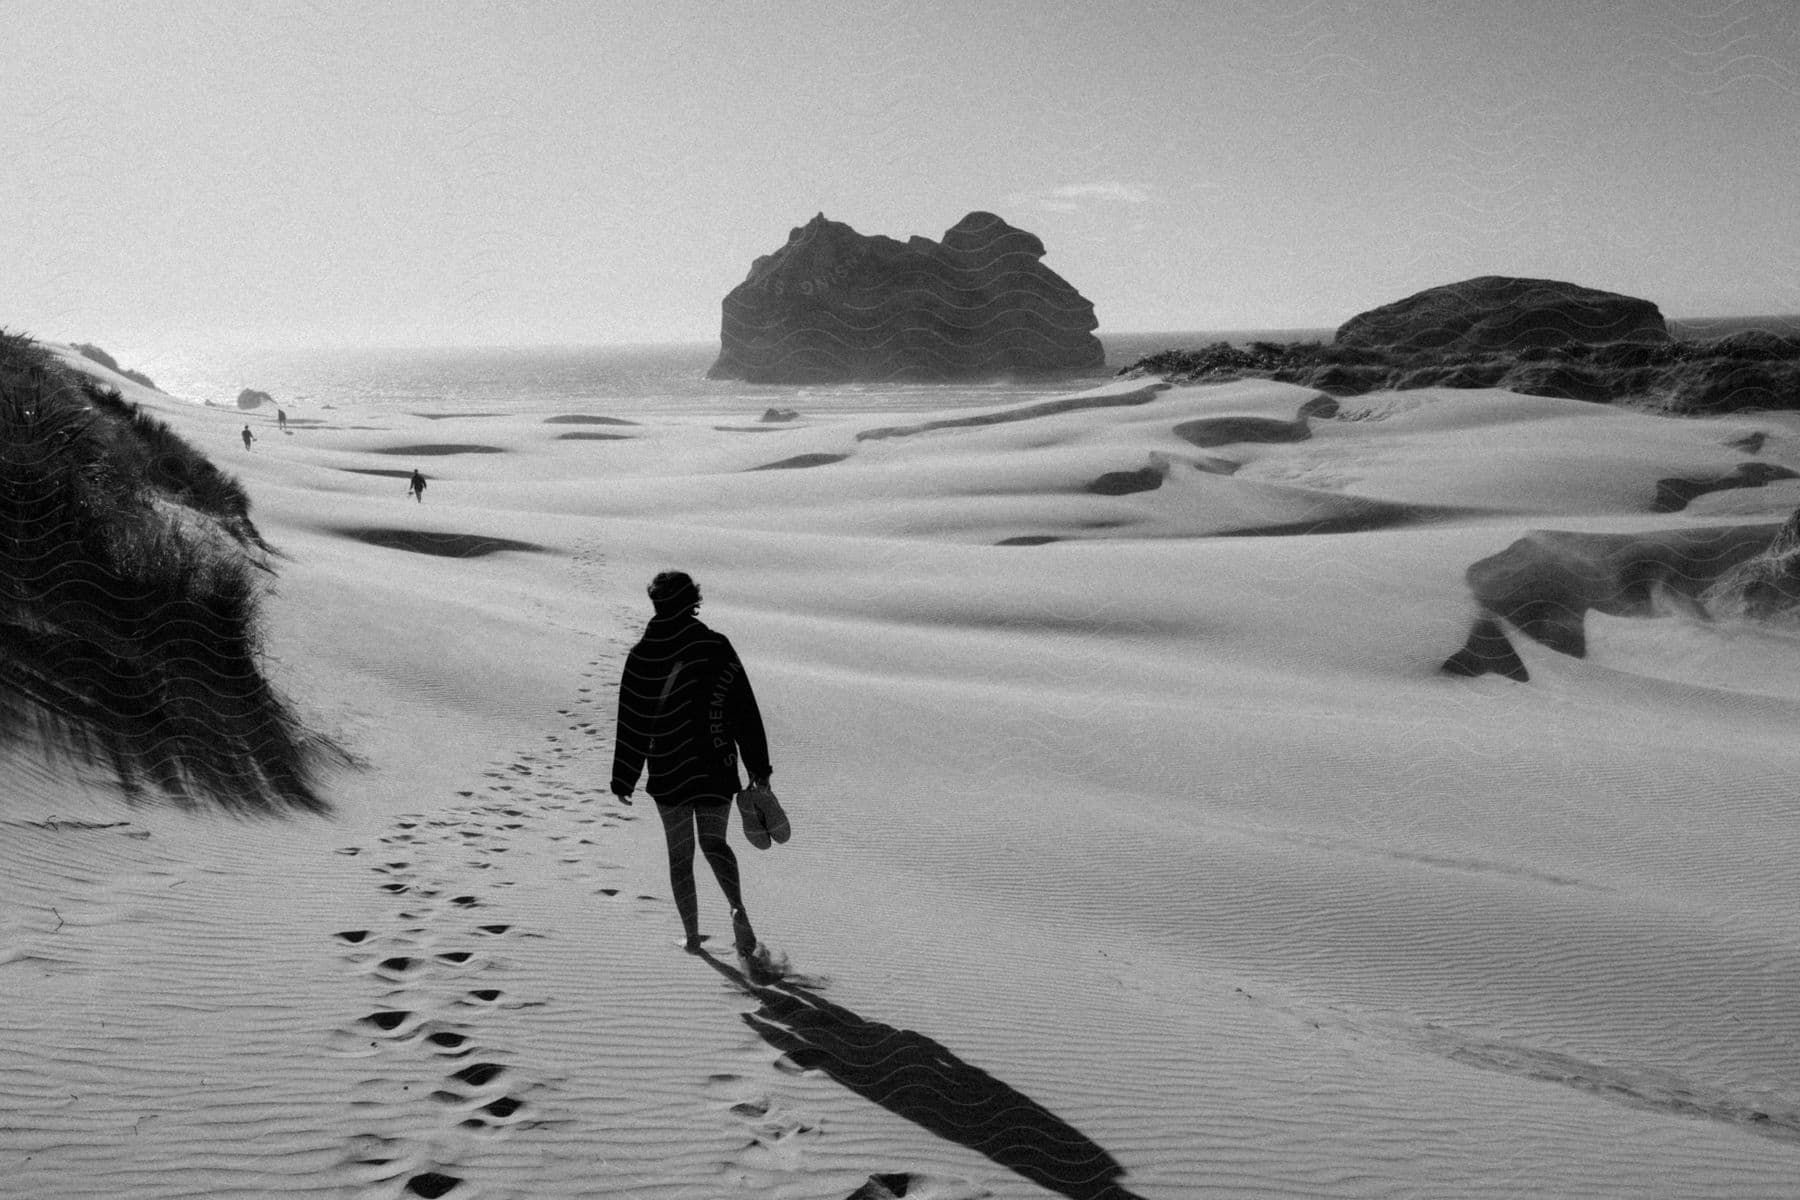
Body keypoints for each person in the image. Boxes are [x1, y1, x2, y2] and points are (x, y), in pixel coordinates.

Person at [612, 571, 772, 956]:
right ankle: (737, 908)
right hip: (715, 763)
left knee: (680, 856)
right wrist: (758, 767)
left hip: (669, 768)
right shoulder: (716, 647)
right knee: (715, 843)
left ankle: (693, 937)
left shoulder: (641, 655)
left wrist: (624, 777)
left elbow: (631, 718)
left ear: (656, 604)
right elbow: (743, 709)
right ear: (694, 601)